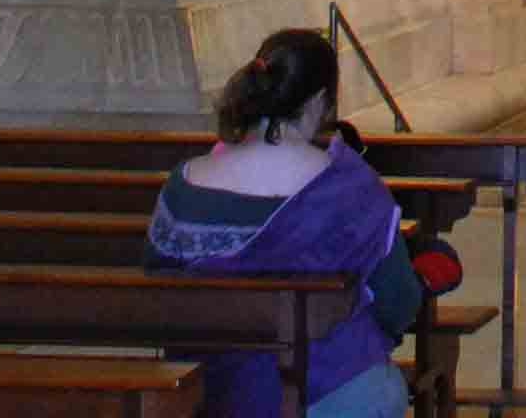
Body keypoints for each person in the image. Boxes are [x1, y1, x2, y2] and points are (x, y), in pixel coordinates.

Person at [146, 30, 424, 418]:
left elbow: (159, 284)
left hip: (208, 389)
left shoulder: (183, 184)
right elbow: (399, 299)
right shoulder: (348, 188)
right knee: (376, 390)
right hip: (326, 390)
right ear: (319, 102)